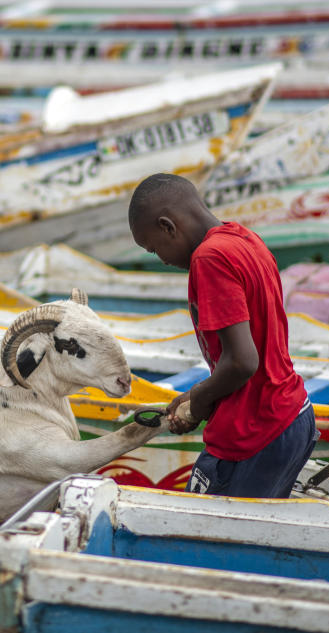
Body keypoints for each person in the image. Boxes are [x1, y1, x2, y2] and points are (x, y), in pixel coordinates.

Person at [128, 173, 316, 498]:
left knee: (197, 532)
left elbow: (243, 362)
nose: (161, 259)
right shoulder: (245, 239)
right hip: (293, 415)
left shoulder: (209, 259)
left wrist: (199, 403)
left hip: (253, 431)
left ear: (168, 226)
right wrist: (195, 395)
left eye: (154, 248)